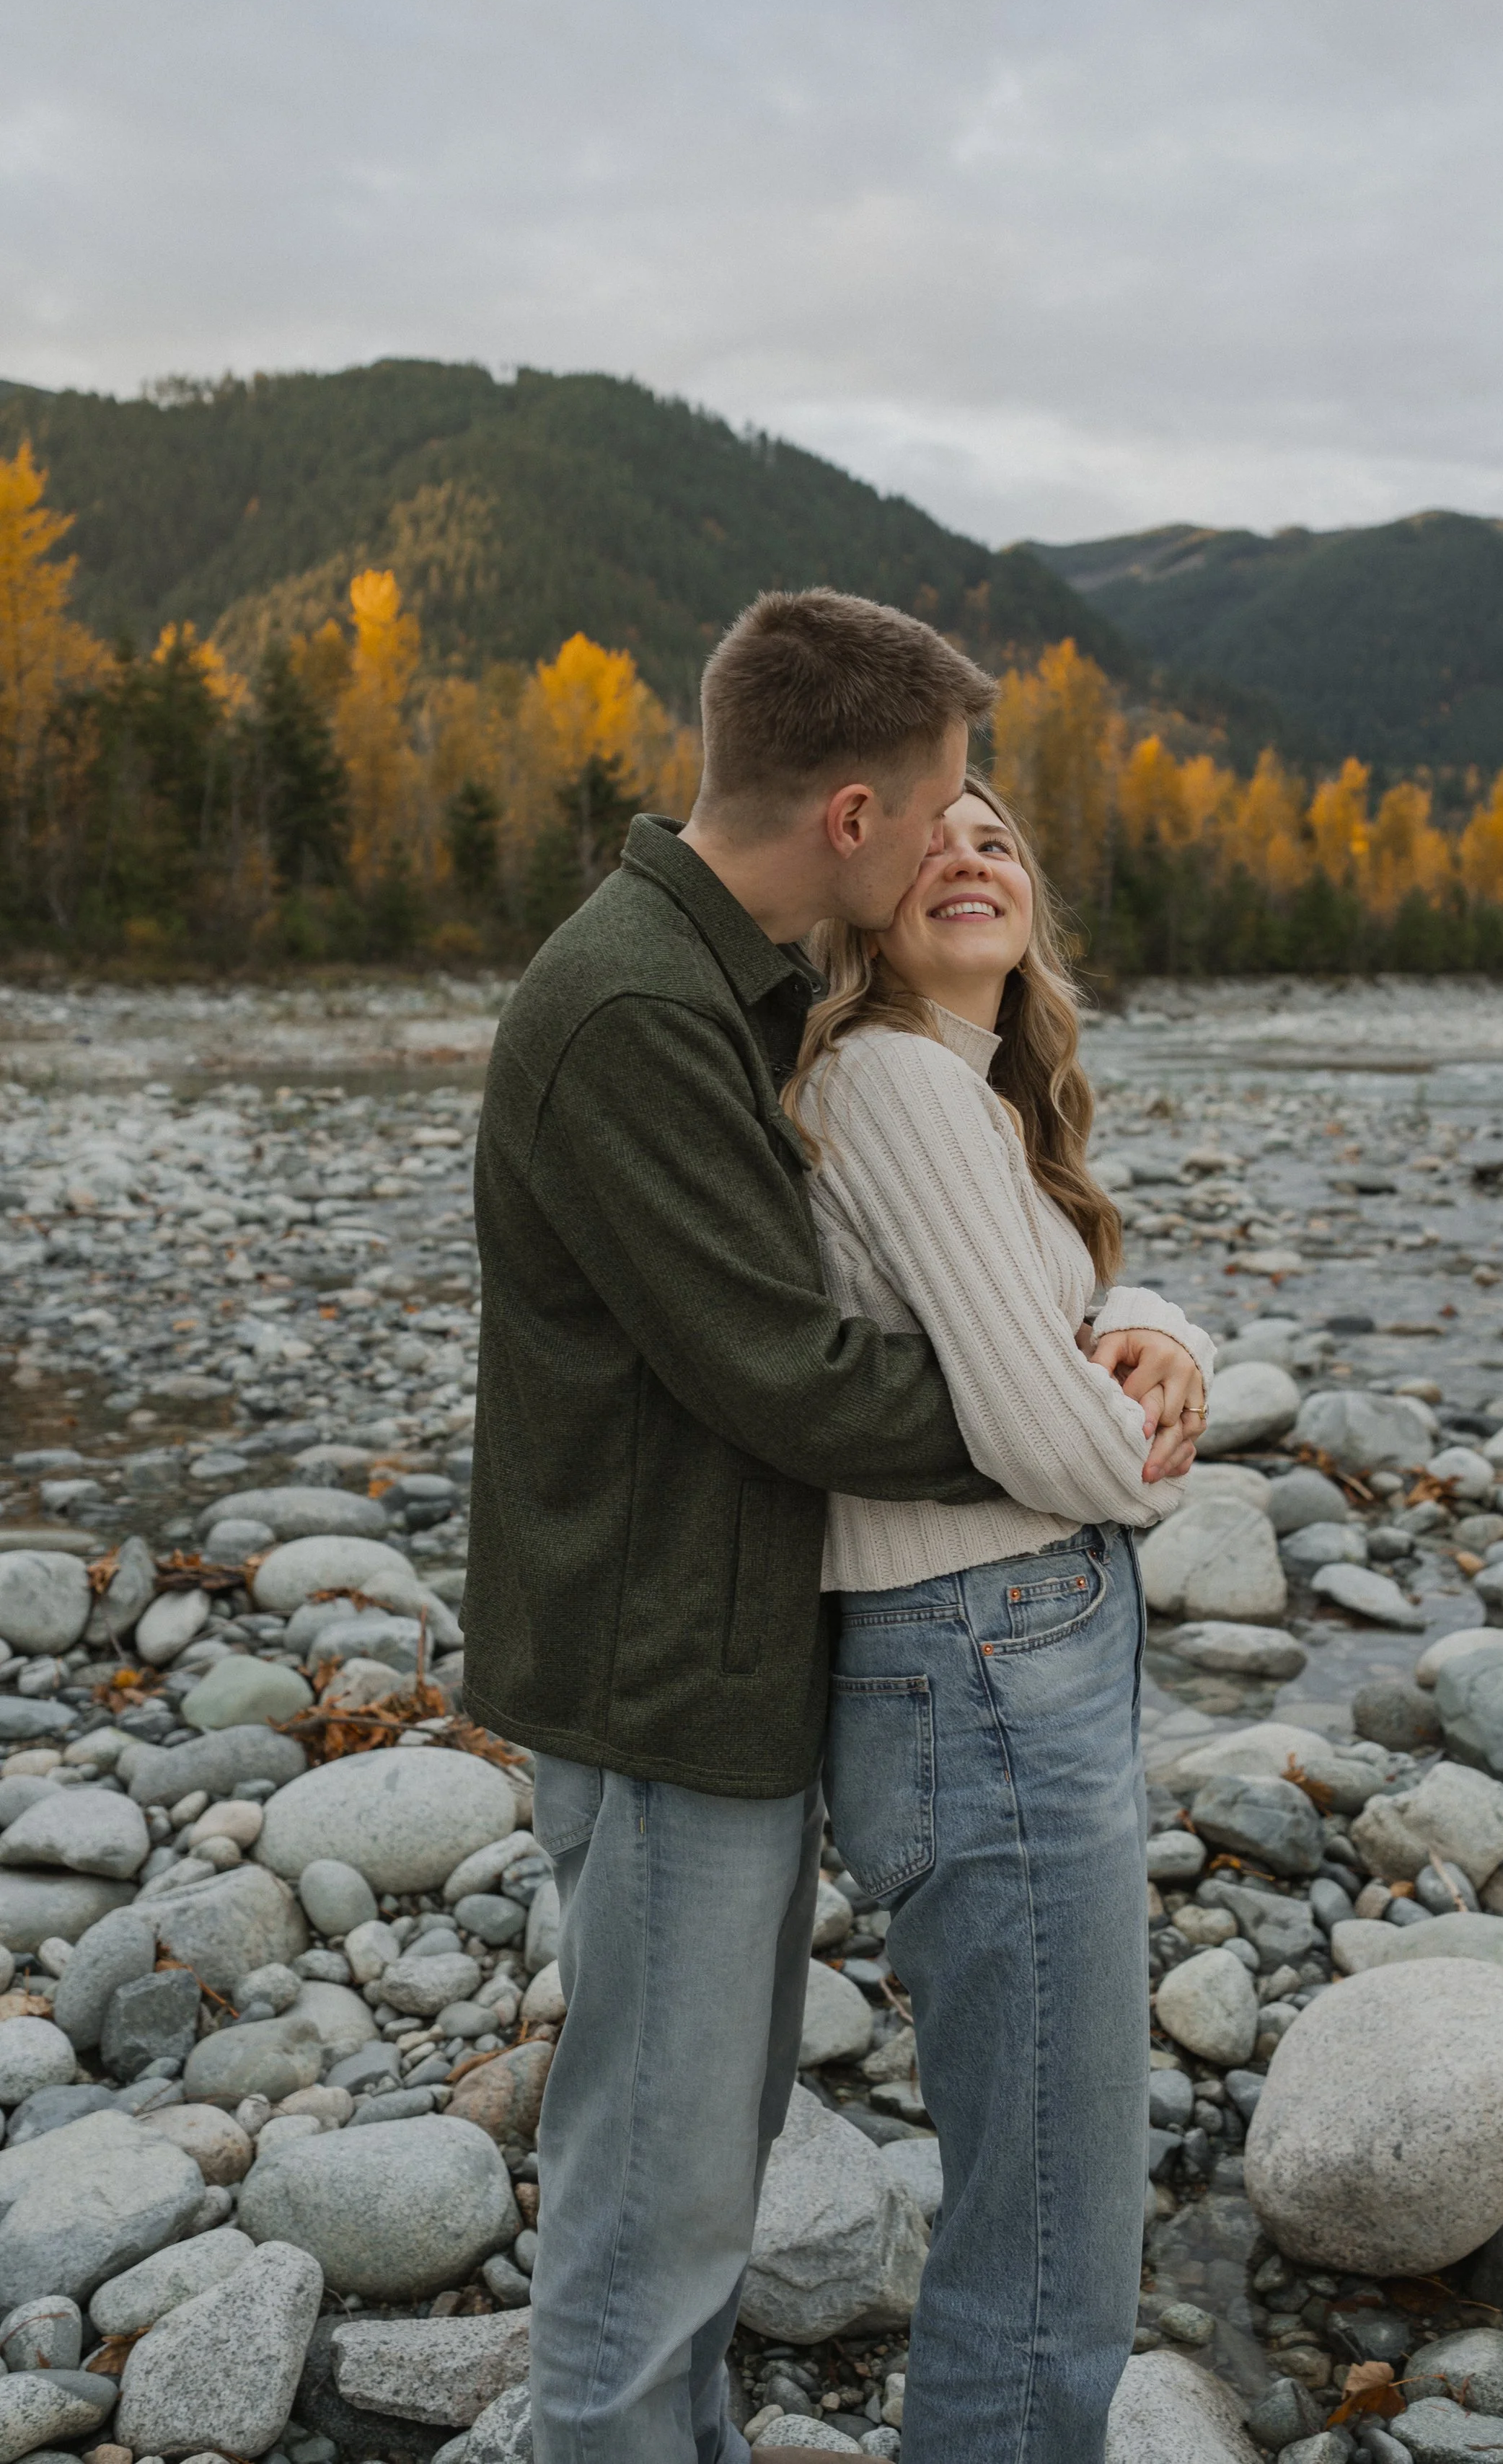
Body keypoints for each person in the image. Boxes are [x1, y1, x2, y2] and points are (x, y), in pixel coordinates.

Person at [462, 589, 1203, 2464]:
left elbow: (936, 1275)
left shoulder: (740, 982)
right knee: (658, 2203)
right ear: (853, 817)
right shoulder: (634, 998)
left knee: (693, 2183)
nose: (969, 834)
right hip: (655, 1680)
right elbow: (787, 1376)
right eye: (946, 799)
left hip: (730, 1652)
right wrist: (1075, 1417)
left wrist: (1127, 1335)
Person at [784, 771, 1214, 2463]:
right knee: (1051, 2224)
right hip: (979, 1660)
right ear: (859, 890)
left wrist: (1159, 1327)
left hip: (1000, 1649)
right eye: (932, 835)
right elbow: (1045, 1431)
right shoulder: (890, 1075)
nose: (969, 853)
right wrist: (1157, 1449)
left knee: (1050, 2184)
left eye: (999, 835)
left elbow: (1073, 1320)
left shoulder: (973, 1093)